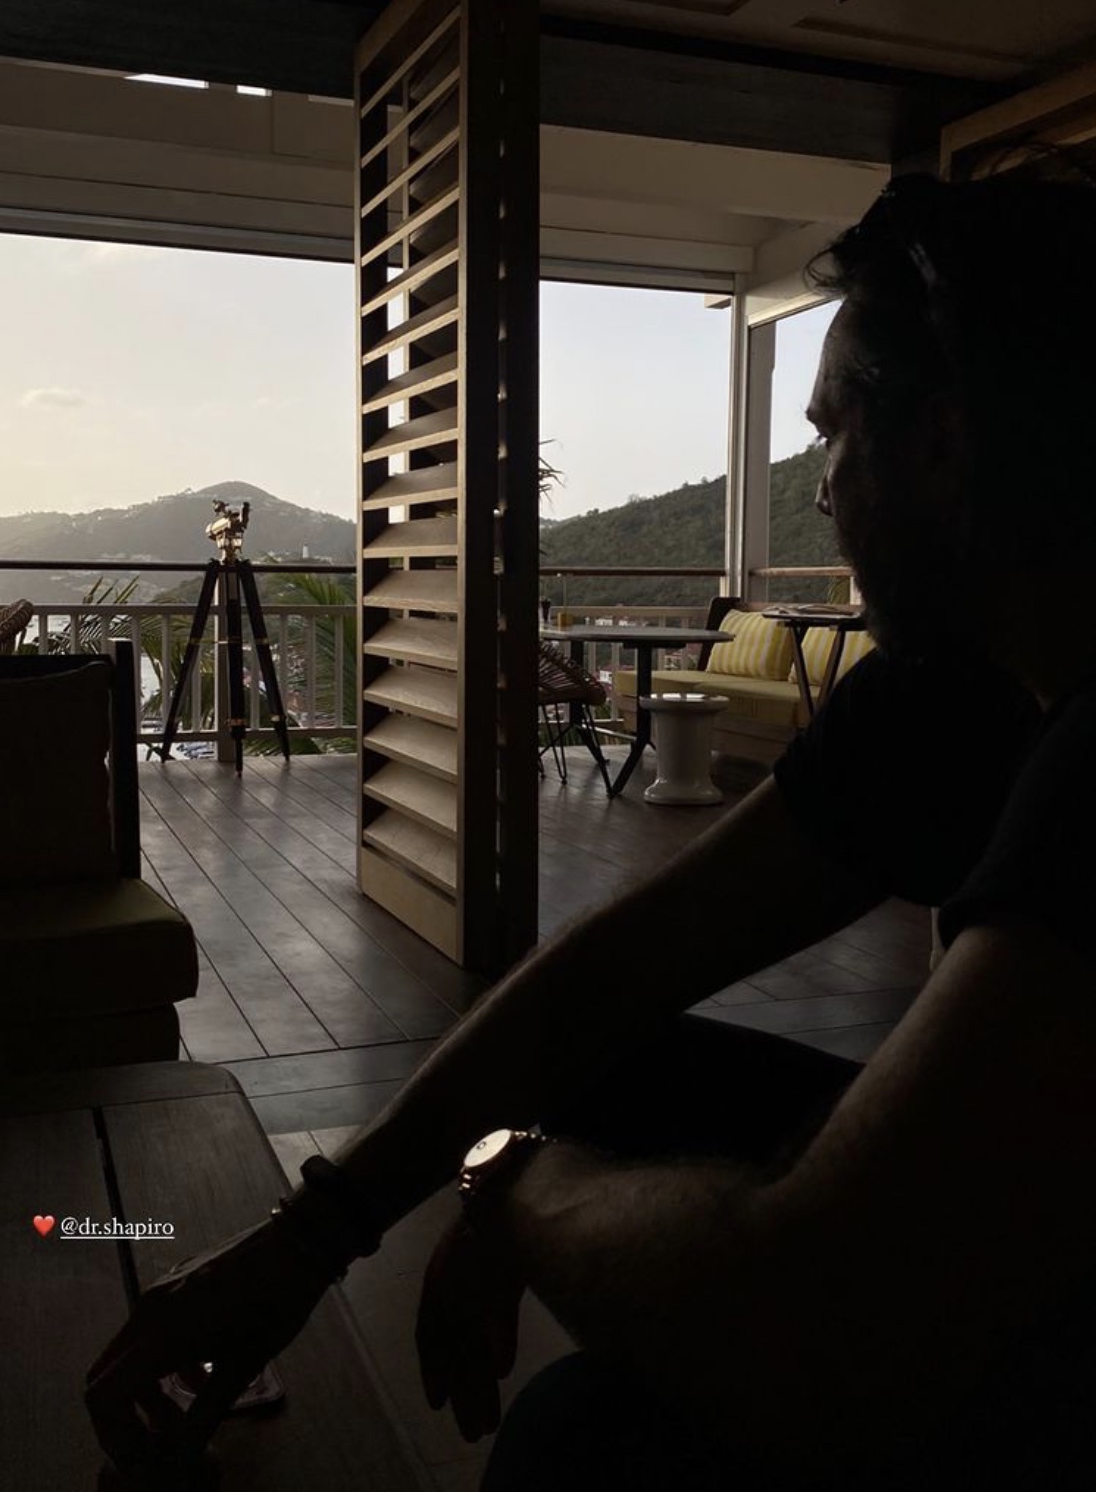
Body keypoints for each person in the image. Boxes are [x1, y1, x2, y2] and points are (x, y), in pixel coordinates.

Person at [85, 155, 1096, 1490]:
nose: (822, 488)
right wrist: (308, 1237)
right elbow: (620, 968)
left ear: (944, 443)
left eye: (831, 434)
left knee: (577, 1438)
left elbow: (818, 1320)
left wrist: (519, 1190)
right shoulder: (955, 694)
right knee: (605, 1055)